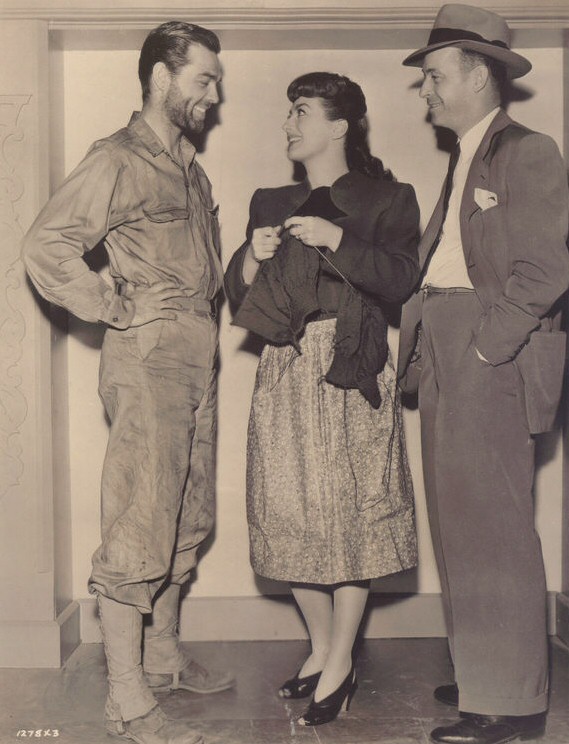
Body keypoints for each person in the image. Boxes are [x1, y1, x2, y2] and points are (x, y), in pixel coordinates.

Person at [22, 21, 234, 744]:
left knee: (186, 514)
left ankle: (164, 657)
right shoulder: (116, 158)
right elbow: (47, 245)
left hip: (197, 360)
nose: (214, 92)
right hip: (148, 362)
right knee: (139, 521)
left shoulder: (190, 168)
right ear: (161, 77)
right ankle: (128, 699)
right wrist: (112, 304)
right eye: (204, 78)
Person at [225, 72, 420, 726]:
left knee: (348, 514)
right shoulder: (267, 200)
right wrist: (249, 260)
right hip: (283, 364)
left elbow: (399, 280)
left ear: (338, 125)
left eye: (301, 112)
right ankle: (321, 650)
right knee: (288, 514)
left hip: (351, 360)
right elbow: (238, 298)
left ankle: (338, 663)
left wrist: (339, 239)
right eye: (288, 112)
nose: (288, 124)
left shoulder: (388, 198)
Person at [397, 5, 569, 744]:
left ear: (477, 72)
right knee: (459, 522)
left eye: (434, 75)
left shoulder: (526, 151)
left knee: (493, 526)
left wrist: (483, 348)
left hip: (482, 347)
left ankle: (512, 705)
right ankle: (484, 674)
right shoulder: (466, 153)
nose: (426, 90)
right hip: (446, 341)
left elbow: (543, 269)